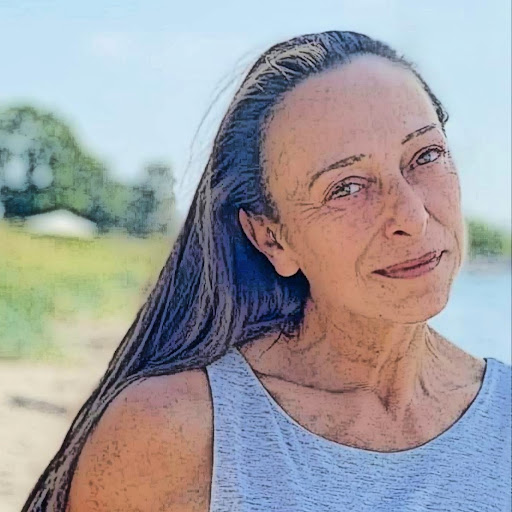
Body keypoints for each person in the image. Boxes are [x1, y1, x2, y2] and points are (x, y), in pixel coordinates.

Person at [22, 31, 511, 512]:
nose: (412, 216)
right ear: (271, 237)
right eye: (346, 187)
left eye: (426, 155)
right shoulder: (174, 434)